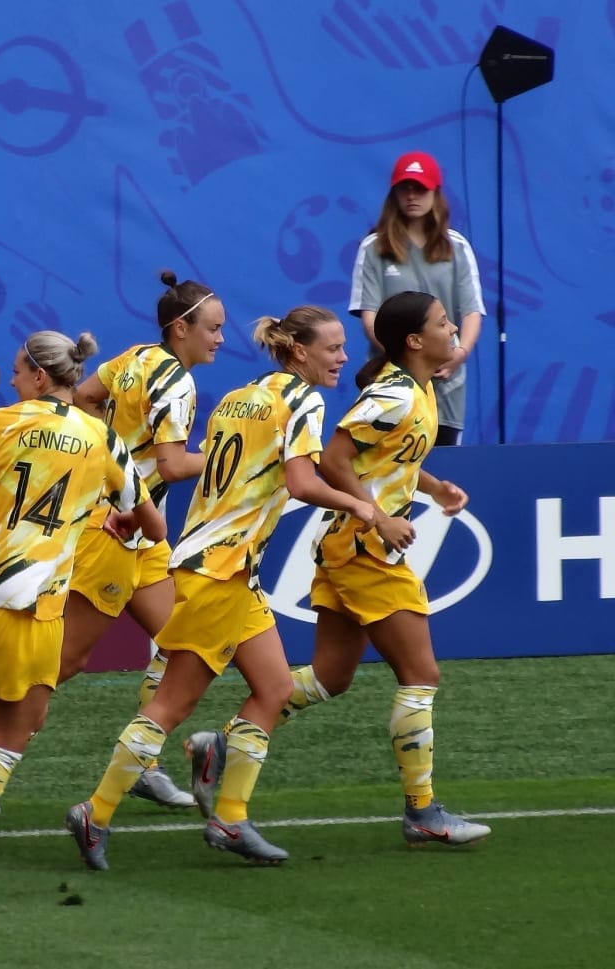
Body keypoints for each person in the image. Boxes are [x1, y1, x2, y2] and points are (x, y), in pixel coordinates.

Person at [66, 306, 376, 869]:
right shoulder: (303, 401)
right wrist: (359, 503)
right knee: (172, 702)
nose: (343, 358)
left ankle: (229, 816)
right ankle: (97, 811)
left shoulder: (241, 395)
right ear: (300, 352)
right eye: (333, 348)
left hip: (224, 566)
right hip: (221, 570)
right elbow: (303, 483)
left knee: (275, 688)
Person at [0, 330, 167, 906]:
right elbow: (155, 527)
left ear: (41, 376)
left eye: (17, 370)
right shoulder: (103, 439)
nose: (12, 381)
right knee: (13, 738)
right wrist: (124, 521)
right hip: (30, 603)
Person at [281, 291, 491, 846]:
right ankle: (422, 814)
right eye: (444, 323)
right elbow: (333, 460)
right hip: (366, 550)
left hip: (348, 547)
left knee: (329, 676)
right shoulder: (395, 392)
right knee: (421, 675)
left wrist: (435, 484)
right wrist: (377, 517)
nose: (453, 330)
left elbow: (386, 461)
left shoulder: (419, 388)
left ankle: (227, 743)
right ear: (415, 341)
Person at [61, 270, 225, 809]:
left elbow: (84, 397)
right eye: (213, 329)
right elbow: (176, 464)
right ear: (181, 328)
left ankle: (143, 765)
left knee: (178, 638)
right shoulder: (177, 382)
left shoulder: (133, 357)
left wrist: (111, 459)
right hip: (113, 527)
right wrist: (235, 460)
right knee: (64, 662)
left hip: (138, 529)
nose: (220, 339)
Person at [349, 151, 485, 446]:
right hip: (388, 382)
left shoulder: (457, 247)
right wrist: (406, 359)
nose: (412, 195)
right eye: (405, 187)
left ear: (436, 193)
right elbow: (369, 315)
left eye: (420, 188)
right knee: (379, 469)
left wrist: (459, 353)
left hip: (444, 381)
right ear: (394, 193)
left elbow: (472, 311)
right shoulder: (373, 248)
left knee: (442, 472)